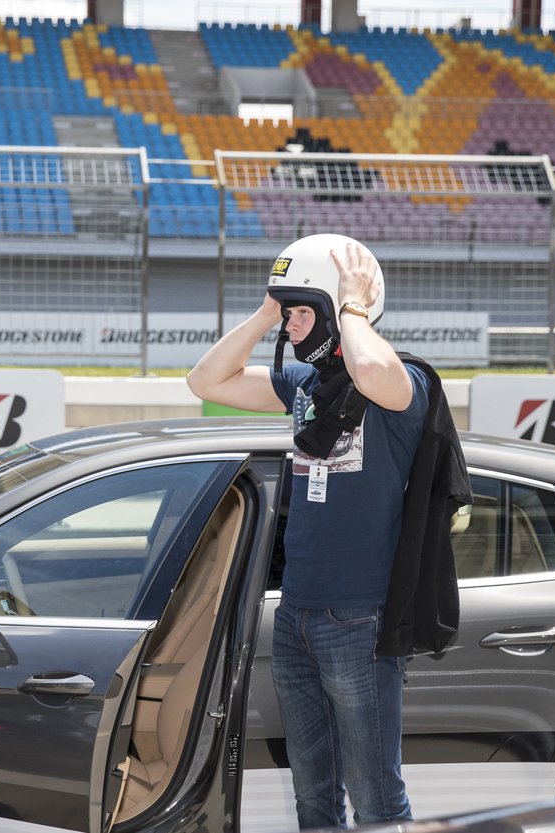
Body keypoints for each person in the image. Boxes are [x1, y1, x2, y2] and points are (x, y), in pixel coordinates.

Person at [186, 233, 469, 830]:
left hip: (359, 620)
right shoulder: (308, 390)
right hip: (297, 615)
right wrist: (269, 311)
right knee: (314, 800)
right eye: (288, 314)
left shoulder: (401, 388)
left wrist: (354, 308)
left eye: (301, 312)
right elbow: (207, 381)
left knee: (377, 802)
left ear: (341, 311)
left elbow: (370, 367)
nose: (291, 327)